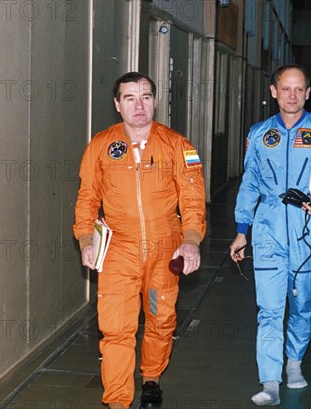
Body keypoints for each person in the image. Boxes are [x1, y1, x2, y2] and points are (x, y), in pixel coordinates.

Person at [73, 72, 206, 409]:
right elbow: (87, 199)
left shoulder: (178, 145)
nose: (139, 105)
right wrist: (87, 239)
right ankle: (117, 400)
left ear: (155, 101)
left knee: (160, 319)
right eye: (129, 98)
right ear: (117, 104)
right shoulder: (101, 146)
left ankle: (151, 378)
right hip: (118, 250)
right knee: (116, 327)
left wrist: (190, 240)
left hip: (164, 250)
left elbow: (192, 200)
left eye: (146, 96)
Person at [229, 65, 311, 406]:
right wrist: (243, 231)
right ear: (274, 91)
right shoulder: (259, 134)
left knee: (301, 303)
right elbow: (250, 182)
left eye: (299, 89)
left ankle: (294, 362)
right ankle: (269, 381)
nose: (292, 96)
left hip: (307, 229)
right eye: (286, 89)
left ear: (308, 93)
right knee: (269, 309)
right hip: (268, 228)